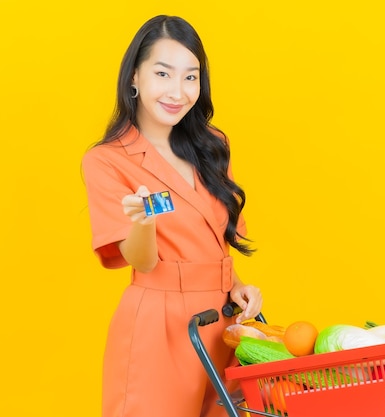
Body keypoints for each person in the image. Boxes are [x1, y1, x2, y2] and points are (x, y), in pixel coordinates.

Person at [81, 15, 263, 417]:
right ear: (134, 77)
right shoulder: (107, 162)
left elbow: (213, 234)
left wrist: (238, 285)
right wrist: (143, 222)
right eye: (163, 73)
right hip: (157, 328)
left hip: (224, 326)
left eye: (190, 77)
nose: (178, 92)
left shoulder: (213, 146)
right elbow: (142, 261)